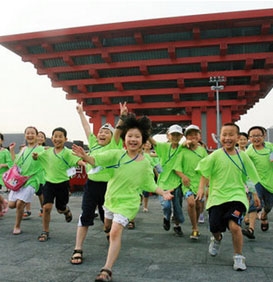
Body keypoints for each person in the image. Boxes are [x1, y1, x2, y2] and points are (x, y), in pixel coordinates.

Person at [72, 114, 174, 282]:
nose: (133, 139)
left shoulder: (145, 163)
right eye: (130, 136)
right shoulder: (116, 154)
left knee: (115, 231)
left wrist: (162, 192)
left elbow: (149, 183)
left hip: (129, 203)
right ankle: (107, 228)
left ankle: (107, 270)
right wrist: (85, 156)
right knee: (107, 225)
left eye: (137, 136)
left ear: (143, 140)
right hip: (111, 199)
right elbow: (96, 160)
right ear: (124, 138)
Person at [196, 123, 260, 271]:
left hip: (237, 196)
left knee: (234, 226)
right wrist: (201, 188)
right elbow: (204, 172)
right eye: (224, 134)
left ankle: (238, 256)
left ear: (238, 138)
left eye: (231, 135)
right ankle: (217, 239)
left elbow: (249, 177)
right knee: (214, 227)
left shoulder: (243, 156)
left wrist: (254, 194)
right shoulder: (215, 155)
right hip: (217, 197)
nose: (227, 138)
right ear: (220, 137)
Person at [70, 102, 126, 265]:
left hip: (109, 188)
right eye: (101, 131)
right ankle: (78, 248)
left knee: (106, 220)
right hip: (91, 186)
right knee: (85, 215)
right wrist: (81, 113)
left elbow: (119, 130)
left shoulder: (114, 145)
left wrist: (122, 116)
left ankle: (109, 233)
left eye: (106, 132)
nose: (102, 134)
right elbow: (87, 128)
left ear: (111, 136)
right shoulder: (93, 144)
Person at [33, 127, 84, 242]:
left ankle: (66, 211)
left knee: (60, 208)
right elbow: (37, 157)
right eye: (55, 136)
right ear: (52, 138)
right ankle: (45, 231)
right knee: (46, 207)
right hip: (49, 183)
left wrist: (84, 164)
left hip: (62, 184)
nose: (57, 139)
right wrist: (35, 156)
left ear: (65, 139)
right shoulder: (46, 152)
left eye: (60, 136)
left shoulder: (68, 152)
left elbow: (77, 161)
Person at [149, 124, 185, 237]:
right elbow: (152, 141)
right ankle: (166, 217)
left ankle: (177, 226)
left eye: (177, 135)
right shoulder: (163, 147)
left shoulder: (183, 148)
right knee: (166, 206)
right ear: (168, 135)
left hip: (177, 183)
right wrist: (142, 129)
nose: (175, 137)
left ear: (181, 136)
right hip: (164, 183)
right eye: (173, 134)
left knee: (178, 206)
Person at [8, 126, 44, 235]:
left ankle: (17, 226)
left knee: (20, 204)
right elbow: (16, 163)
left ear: (37, 136)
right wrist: (12, 151)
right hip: (20, 180)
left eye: (32, 133)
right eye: (28, 133)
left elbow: (45, 159)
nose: (30, 135)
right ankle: (12, 205)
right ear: (25, 135)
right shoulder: (23, 149)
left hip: (33, 179)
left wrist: (37, 157)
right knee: (11, 205)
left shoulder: (41, 149)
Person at [175, 125, 208, 240]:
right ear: (186, 137)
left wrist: (205, 184)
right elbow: (176, 167)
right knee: (191, 203)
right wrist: (183, 176)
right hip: (187, 184)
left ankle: (196, 224)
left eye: (195, 134)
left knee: (199, 205)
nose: (193, 136)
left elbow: (207, 168)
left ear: (199, 136)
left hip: (199, 183)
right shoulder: (182, 151)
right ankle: (194, 228)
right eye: (190, 134)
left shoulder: (202, 151)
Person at [242, 126, 273, 239]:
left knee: (269, 206)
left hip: (270, 182)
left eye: (258, 135)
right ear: (249, 138)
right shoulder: (249, 151)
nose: (256, 138)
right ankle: (251, 229)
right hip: (256, 182)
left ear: (264, 135)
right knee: (254, 204)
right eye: (253, 136)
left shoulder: (270, 147)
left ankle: (264, 216)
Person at [23, 130, 47, 218]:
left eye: (42, 137)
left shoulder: (45, 150)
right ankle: (27, 210)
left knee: (40, 193)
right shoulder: (27, 149)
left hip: (40, 175)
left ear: (44, 140)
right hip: (29, 174)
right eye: (39, 136)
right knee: (26, 192)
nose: (40, 138)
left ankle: (43, 208)